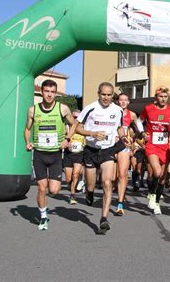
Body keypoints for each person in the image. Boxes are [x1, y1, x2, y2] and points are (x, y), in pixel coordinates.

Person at [76, 82, 129, 234]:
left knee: (107, 182)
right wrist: (92, 134)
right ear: (98, 93)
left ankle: (104, 218)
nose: (106, 98)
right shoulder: (91, 108)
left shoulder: (118, 110)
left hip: (107, 150)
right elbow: (78, 127)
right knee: (91, 184)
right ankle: (90, 192)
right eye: (103, 94)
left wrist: (124, 137)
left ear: (113, 95)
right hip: (91, 150)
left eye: (109, 95)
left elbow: (119, 128)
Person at [24, 79, 75, 231]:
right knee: (41, 187)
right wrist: (27, 142)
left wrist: (67, 139)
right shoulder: (33, 110)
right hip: (39, 154)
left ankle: (45, 202)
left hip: (55, 155)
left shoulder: (63, 109)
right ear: (42, 92)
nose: (50, 95)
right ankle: (43, 216)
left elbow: (74, 124)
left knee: (53, 190)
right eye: (47, 91)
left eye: (53, 92)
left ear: (56, 93)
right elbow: (27, 129)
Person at [138, 86, 170, 215]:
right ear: (156, 97)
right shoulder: (148, 108)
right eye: (161, 96)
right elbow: (139, 121)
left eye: (165, 97)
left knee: (162, 178)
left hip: (164, 146)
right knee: (157, 171)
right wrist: (143, 132)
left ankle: (156, 202)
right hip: (151, 145)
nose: (163, 99)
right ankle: (151, 193)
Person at [114, 93, 138, 215]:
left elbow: (138, 128)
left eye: (125, 100)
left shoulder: (132, 114)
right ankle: (118, 191)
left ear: (128, 102)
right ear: (117, 101)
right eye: (121, 100)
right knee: (113, 177)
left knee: (122, 174)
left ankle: (120, 203)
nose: (123, 102)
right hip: (111, 144)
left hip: (124, 145)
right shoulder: (111, 111)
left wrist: (134, 139)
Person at [63, 109, 86, 205]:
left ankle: (72, 195)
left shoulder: (84, 128)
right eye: (74, 117)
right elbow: (61, 138)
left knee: (75, 174)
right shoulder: (67, 127)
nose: (76, 119)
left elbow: (89, 139)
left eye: (78, 117)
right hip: (69, 154)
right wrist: (66, 143)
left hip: (79, 153)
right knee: (68, 179)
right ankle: (74, 185)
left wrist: (84, 145)